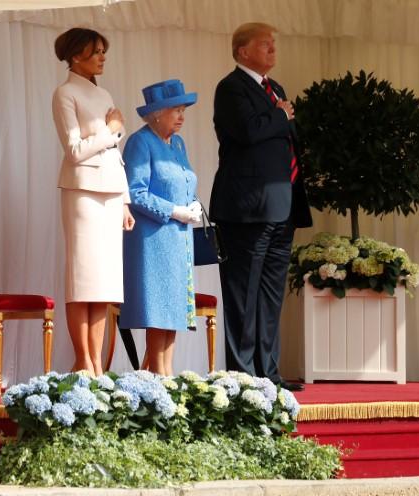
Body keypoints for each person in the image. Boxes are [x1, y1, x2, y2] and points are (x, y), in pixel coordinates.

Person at [209, 22, 312, 391]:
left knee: (270, 293)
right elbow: (249, 132)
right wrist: (280, 115)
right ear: (242, 52)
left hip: (282, 206)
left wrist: (281, 114)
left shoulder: (276, 89)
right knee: (242, 292)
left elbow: (287, 140)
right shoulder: (231, 88)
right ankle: (242, 374)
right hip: (245, 209)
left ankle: (268, 373)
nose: (272, 50)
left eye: (273, 45)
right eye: (265, 45)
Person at [52, 27, 135, 376]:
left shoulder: (105, 93)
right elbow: (74, 151)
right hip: (83, 192)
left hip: (112, 192)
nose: (102, 57)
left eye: (103, 51)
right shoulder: (65, 93)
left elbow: (113, 152)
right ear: (75, 56)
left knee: (104, 282)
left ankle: (97, 362)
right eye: (95, 51)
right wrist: (111, 129)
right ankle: (82, 359)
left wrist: (126, 201)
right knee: (82, 280)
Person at [120, 80, 202, 377]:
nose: (181, 117)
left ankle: (166, 374)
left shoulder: (177, 143)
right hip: (153, 238)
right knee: (159, 308)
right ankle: (159, 377)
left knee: (175, 310)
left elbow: (184, 181)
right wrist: (174, 211)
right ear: (155, 114)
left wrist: (191, 206)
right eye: (175, 111)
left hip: (179, 238)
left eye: (183, 111)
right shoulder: (140, 142)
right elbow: (135, 191)